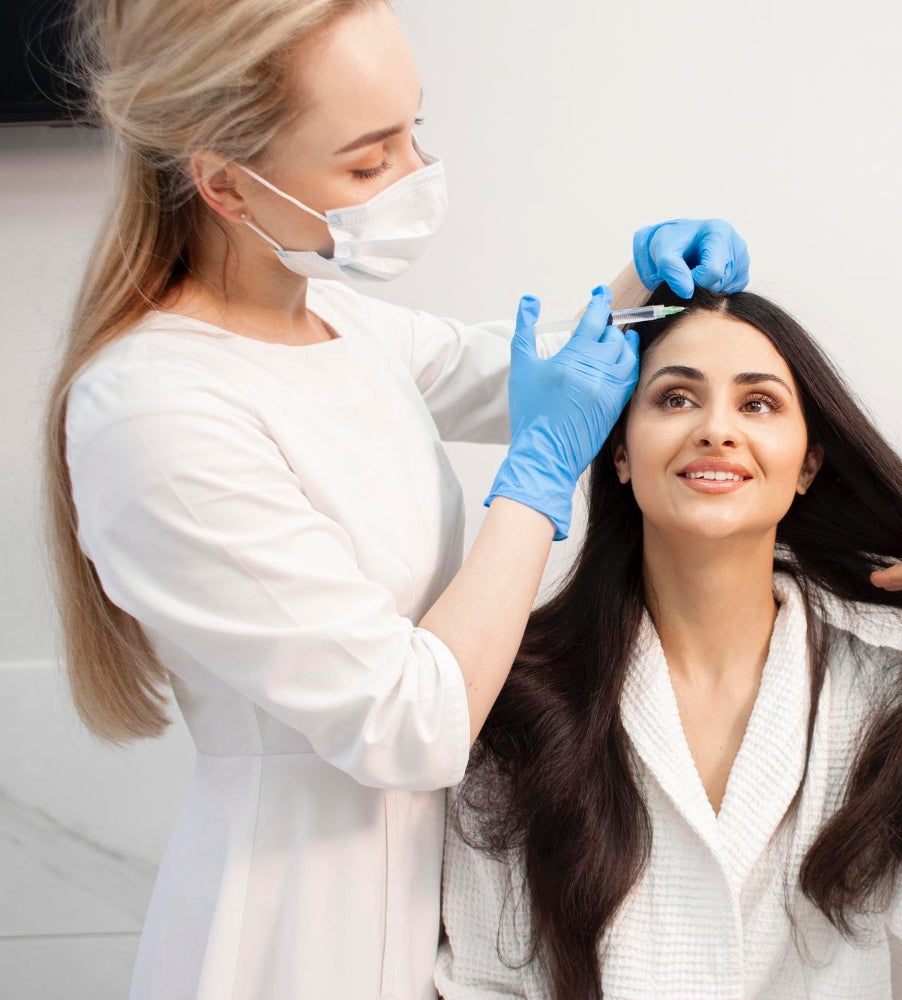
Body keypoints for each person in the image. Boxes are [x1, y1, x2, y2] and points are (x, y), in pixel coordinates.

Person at [42, 2, 748, 998]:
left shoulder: (328, 317)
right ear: (224, 184)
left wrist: (639, 293)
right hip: (297, 927)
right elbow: (410, 720)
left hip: (439, 891)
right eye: (368, 164)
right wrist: (539, 478)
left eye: (415, 129)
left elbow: (499, 371)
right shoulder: (151, 410)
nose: (414, 176)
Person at [437, 286, 902, 999]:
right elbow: (487, 981)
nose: (716, 430)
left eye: (758, 404)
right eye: (676, 399)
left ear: (807, 465)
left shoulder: (888, 695)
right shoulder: (522, 691)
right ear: (619, 451)